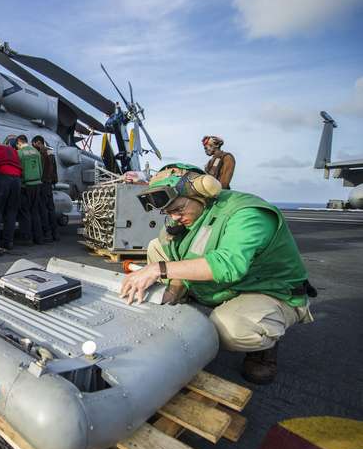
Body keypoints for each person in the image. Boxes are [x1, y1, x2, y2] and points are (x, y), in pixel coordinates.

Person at [120, 163, 314, 385]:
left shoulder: (248, 214)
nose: (173, 218)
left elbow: (229, 265)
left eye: (178, 209)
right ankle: (179, 305)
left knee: (229, 330)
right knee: (157, 245)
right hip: (223, 288)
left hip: (268, 291)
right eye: (168, 212)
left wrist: (157, 270)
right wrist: (173, 289)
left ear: (202, 192)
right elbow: (176, 257)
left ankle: (265, 342)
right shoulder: (185, 219)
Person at [0, 140, 22, 250]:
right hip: (16, 180)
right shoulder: (12, 150)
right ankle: (8, 242)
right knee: (11, 212)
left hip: (2, 178)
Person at [14, 135, 44, 245]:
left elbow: (19, 169)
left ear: (19, 143)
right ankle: (39, 238)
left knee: (24, 212)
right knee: (35, 211)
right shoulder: (36, 152)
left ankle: (27, 238)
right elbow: (41, 168)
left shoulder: (19, 153)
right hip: (37, 184)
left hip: (25, 185)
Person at [32, 135, 59, 242]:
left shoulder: (40, 153)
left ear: (38, 142)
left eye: (34, 144)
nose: (33, 146)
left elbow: (39, 169)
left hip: (42, 183)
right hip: (49, 184)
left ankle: (47, 233)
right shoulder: (50, 153)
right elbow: (55, 171)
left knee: (42, 209)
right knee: (51, 209)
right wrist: (54, 181)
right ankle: (55, 233)